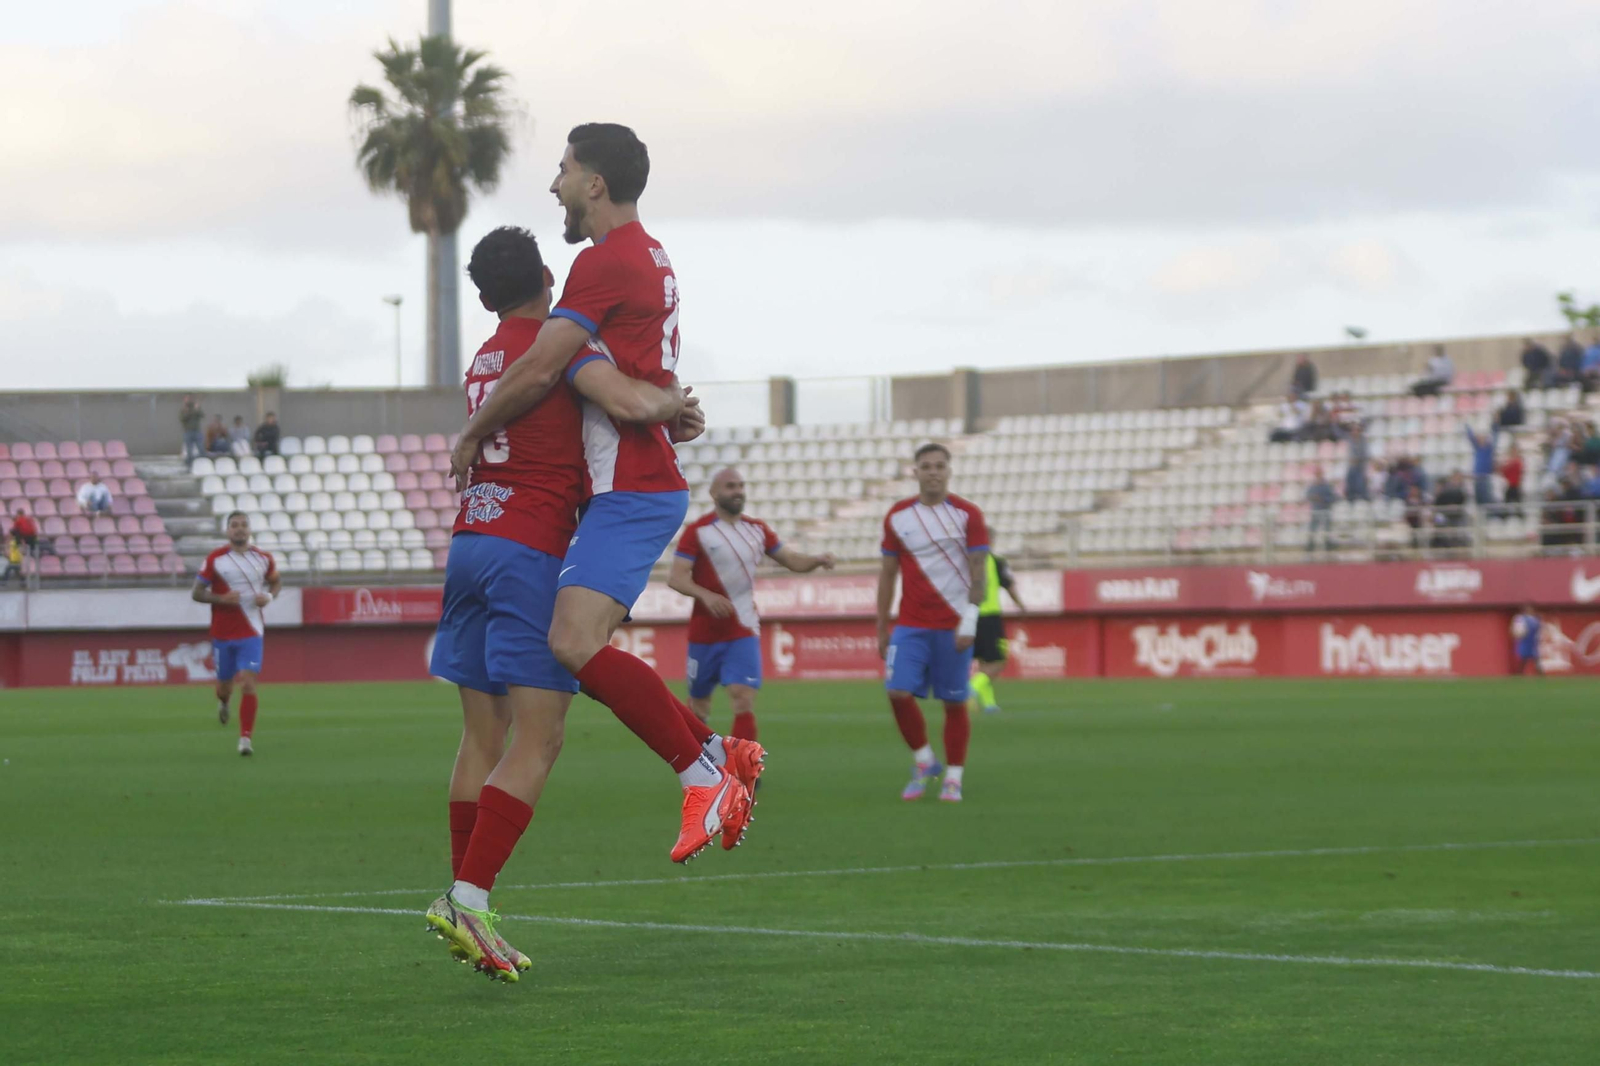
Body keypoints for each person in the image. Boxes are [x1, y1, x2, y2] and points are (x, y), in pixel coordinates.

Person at [447, 125, 754, 867]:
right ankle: (720, 752)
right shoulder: (650, 254)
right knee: (575, 646)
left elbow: (539, 372)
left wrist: (468, 436)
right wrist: (661, 405)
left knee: (571, 643)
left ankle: (702, 776)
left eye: (562, 170)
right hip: (633, 477)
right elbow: (629, 376)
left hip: (629, 486)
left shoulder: (600, 262)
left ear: (594, 183)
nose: (553, 184)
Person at [423, 225, 707, 981]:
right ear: (550, 277)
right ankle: (468, 900)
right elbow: (611, 399)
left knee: (481, 737)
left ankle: (469, 904)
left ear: (483, 296)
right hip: (529, 547)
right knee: (538, 741)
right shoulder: (561, 345)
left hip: (471, 539)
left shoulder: (483, 358)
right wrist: (667, 402)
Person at [667, 468, 835, 745]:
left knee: (742, 697)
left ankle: (744, 773)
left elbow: (791, 560)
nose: (737, 491)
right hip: (704, 634)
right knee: (699, 706)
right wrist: (705, 596)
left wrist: (816, 559)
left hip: (743, 628)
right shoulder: (698, 532)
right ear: (714, 493)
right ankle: (701, 769)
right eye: (730, 486)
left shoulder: (757, 530)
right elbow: (676, 577)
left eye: (741, 486)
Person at [877, 443, 988, 804]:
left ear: (949, 471)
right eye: (926, 466)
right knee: (896, 690)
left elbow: (978, 571)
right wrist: (881, 626)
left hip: (954, 625)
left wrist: (970, 620)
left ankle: (954, 777)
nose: (934, 471)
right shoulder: (897, 516)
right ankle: (925, 762)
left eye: (940, 465)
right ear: (916, 472)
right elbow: (888, 574)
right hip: (911, 624)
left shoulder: (968, 514)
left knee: (954, 702)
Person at [191, 512, 279, 756]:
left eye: (243, 525)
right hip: (223, 634)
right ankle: (223, 702)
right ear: (227, 531)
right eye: (234, 525)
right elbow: (196, 593)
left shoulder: (263, 558)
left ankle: (245, 739)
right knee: (224, 687)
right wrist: (221, 599)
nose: (239, 529)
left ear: (249, 530)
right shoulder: (216, 559)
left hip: (252, 631)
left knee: (249, 684)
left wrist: (269, 596)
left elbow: (276, 581)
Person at [968, 552, 1024, 715]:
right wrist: (1020, 605)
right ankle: (970, 688)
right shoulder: (996, 562)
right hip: (989, 617)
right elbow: (1009, 585)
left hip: (970, 616)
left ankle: (989, 705)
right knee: (998, 661)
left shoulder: (965, 560)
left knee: (983, 662)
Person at [1464, 423, 1498, 508]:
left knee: (1486, 501)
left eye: (1483, 438)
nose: (1480, 439)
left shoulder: (1489, 449)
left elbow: (1495, 435)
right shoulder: (1477, 448)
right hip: (1476, 479)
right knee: (1478, 502)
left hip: (1485, 478)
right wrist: (1466, 425)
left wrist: (1495, 424)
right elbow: (1471, 437)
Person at [1306, 469, 1336, 551]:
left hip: (1325, 510)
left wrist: (1323, 499)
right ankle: (1311, 545)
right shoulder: (1312, 486)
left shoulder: (1326, 486)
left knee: (1327, 529)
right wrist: (1313, 498)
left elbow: (1333, 498)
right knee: (1313, 529)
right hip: (1315, 510)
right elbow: (1308, 496)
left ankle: (1328, 545)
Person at [1510, 605, 1544, 675]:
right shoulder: (1521, 619)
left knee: (1536, 659)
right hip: (1525, 641)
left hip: (1532, 642)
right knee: (1524, 659)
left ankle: (1540, 674)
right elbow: (1517, 631)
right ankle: (1520, 673)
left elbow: (1538, 630)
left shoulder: (1535, 619)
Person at [1345, 424, 1371, 502]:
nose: (1354, 432)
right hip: (1353, 465)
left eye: (1356, 430)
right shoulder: (1350, 440)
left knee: (1360, 482)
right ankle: (1351, 497)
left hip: (1360, 465)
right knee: (1350, 479)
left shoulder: (1363, 441)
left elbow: (1365, 454)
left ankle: (1362, 496)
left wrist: (1358, 459)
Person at [179, 395, 204, 465]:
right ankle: (189, 465)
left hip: (197, 431)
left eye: (190, 398)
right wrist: (191, 411)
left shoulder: (196, 407)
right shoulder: (184, 409)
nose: (189, 400)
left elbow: (202, 415)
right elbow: (183, 419)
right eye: (187, 399)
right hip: (188, 432)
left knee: (201, 448)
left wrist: (197, 409)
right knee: (189, 451)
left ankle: (202, 463)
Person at [1500, 447, 1525, 516]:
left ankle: (1520, 516)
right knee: (1507, 503)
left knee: (1518, 504)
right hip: (1510, 485)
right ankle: (1505, 516)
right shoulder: (1509, 462)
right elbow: (1504, 472)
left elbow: (1519, 471)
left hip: (1516, 485)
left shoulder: (1518, 461)